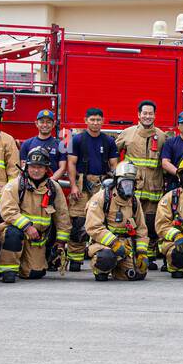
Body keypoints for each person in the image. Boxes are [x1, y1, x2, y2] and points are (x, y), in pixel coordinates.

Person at [0, 147, 72, 282]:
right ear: (26, 167)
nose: (36, 170)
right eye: (33, 167)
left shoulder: (53, 187)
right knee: (13, 234)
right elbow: (8, 211)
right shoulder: (15, 185)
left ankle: (23, 264)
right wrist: (27, 227)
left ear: (46, 169)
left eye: (40, 167)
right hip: (17, 230)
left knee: (34, 273)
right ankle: (7, 269)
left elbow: (62, 215)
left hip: (38, 239)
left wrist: (61, 242)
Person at [65, 108, 119, 272]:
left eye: (98, 120)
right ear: (86, 120)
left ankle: (99, 255)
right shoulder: (77, 139)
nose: (95, 123)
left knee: (101, 221)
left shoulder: (109, 141)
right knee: (78, 221)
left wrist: (114, 185)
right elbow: (71, 163)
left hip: (103, 184)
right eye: (92, 119)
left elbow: (114, 165)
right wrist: (73, 185)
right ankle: (75, 258)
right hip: (82, 184)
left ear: (103, 121)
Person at [117, 100, 169, 268]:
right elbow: (113, 154)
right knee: (132, 221)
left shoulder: (162, 136)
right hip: (133, 189)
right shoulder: (127, 133)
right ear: (138, 115)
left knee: (151, 222)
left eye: (150, 113)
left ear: (155, 115)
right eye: (144, 113)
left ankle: (150, 255)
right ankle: (131, 253)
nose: (147, 116)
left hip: (154, 188)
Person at [84, 162, 151, 281]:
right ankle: (101, 270)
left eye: (131, 184)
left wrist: (141, 252)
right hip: (104, 244)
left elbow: (141, 229)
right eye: (125, 183)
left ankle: (119, 268)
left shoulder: (135, 202)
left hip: (126, 247)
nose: (128, 188)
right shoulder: (101, 198)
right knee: (106, 258)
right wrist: (114, 243)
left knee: (138, 273)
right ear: (117, 183)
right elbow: (93, 227)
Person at [19, 109, 68, 182]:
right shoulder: (27, 144)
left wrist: (50, 181)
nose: (45, 125)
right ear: (36, 124)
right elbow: (23, 166)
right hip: (30, 186)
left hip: (51, 186)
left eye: (48, 122)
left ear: (53, 124)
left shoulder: (60, 145)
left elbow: (63, 168)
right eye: (42, 122)